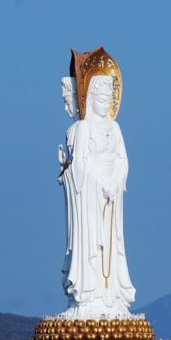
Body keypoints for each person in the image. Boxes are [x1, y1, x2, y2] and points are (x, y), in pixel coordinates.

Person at [58, 53, 136, 319]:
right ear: (89, 98)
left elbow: (124, 162)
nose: (105, 104)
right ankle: (88, 296)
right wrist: (98, 181)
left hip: (110, 201)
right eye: (100, 99)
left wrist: (114, 181)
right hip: (89, 200)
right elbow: (79, 166)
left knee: (111, 249)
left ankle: (110, 298)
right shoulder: (81, 130)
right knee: (90, 245)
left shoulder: (115, 129)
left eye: (108, 99)